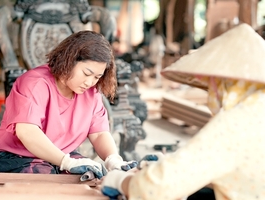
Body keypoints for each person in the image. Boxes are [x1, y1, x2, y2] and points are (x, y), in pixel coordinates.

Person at [101, 23, 265, 199]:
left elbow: (156, 187)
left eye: (211, 88)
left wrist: (121, 181)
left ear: (222, 85)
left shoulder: (237, 123)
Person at [0, 30, 137, 177]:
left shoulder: (91, 92)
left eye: (97, 77)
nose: (90, 82)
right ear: (69, 61)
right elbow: (27, 132)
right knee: (47, 178)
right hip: (16, 158)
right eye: (86, 73)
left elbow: (98, 134)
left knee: (92, 174)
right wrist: (66, 162)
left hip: (62, 157)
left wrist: (113, 159)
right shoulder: (35, 83)